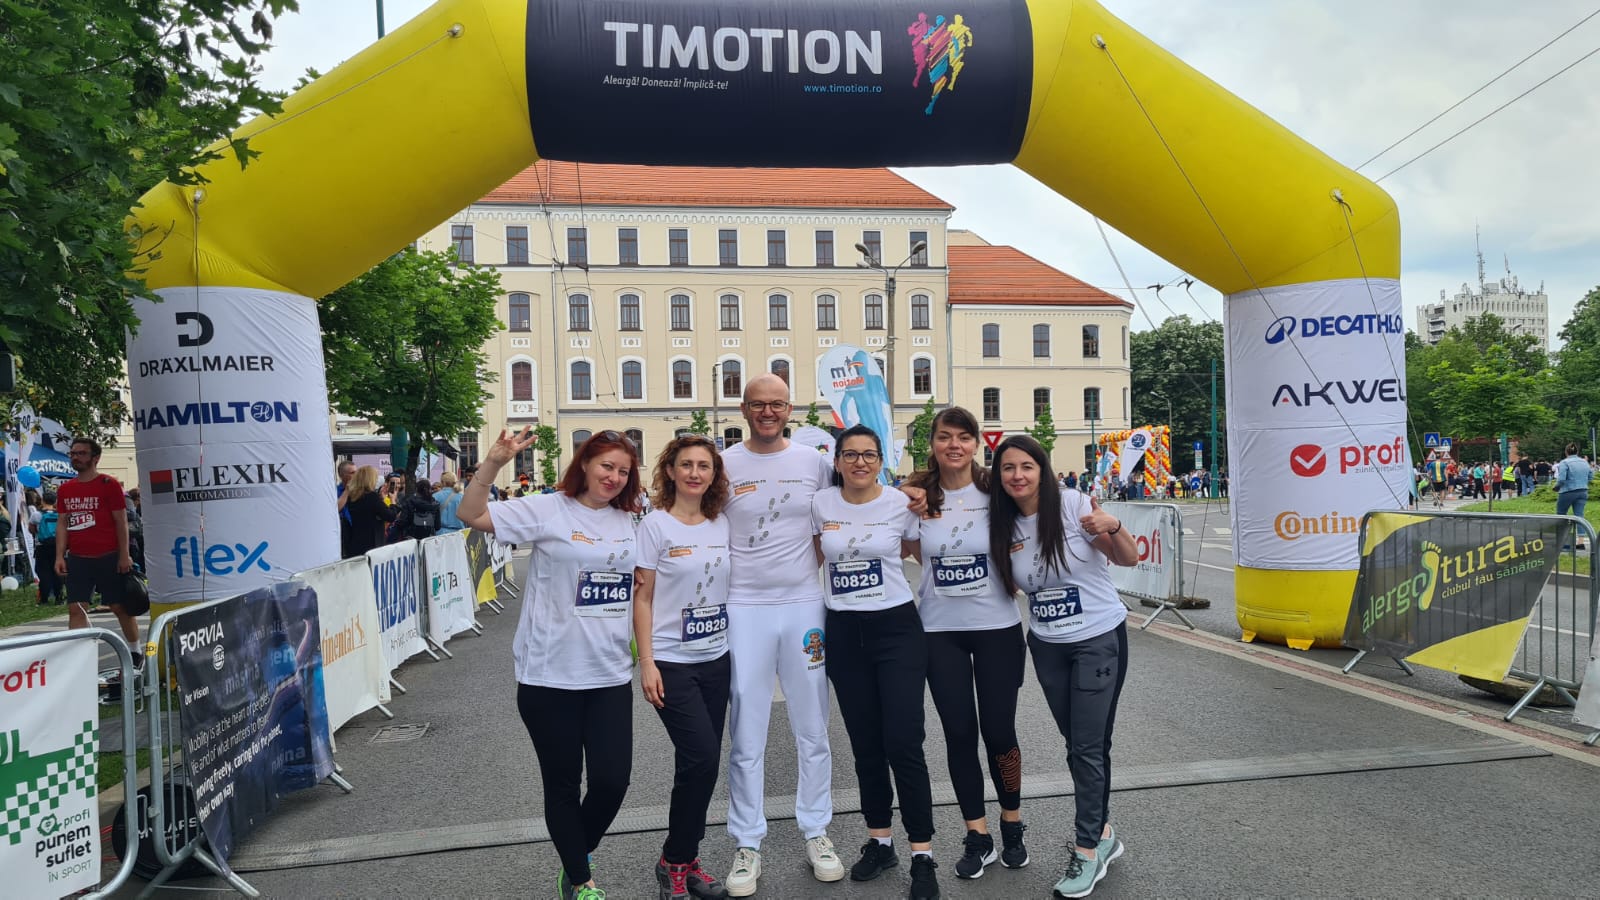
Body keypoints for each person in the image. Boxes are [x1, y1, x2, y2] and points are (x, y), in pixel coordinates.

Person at [458, 428, 641, 900]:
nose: (614, 477)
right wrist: (493, 463)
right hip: (549, 675)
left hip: (608, 673)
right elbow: (470, 514)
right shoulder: (548, 509)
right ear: (585, 464)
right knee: (562, 784)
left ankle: (574, 853)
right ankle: (581, 880)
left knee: (612, 782)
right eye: (606, 466)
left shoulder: (631, 519)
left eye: (623, 471)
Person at [988, 435, 1138, 898]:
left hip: (1097, 639)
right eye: (1008, 468)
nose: (1017, 475)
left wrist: (1114, 525)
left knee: (1088, 747)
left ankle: (1087, 850)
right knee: (1078, 745)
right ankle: (1104, 833)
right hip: (1047, 646)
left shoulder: (1073, 505)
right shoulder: (1003, 524)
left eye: (1026, 466)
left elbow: (1128, 557)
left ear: (1043, 470)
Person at [719, 374, 845, 896]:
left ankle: (816, 831)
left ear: (790, 409)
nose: (768, 412)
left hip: (802, 605)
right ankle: (747, 841)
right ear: (743, 409)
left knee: (812, 724)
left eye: (777, 404)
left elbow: (840, 515)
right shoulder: (723, 463)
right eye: (758, 404)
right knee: (746, 728)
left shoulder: (814, 462)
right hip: (744, 607)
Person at [813, 425, 939, 899]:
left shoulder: (901, 504)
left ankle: (922, 854)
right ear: (838, 461)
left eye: (869, 455)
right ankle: (880, 842)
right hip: (845, 634)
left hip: (895, 630)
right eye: (850, 455)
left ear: (881, 460)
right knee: (865, 745)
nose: (859, 462)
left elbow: (925, 553)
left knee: (904, 742)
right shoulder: (821, 504)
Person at [904, 407, 1030, 881]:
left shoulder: (997, 490)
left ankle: (1012, 823)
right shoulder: (916, 497)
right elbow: (906, 547)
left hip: (997, 627)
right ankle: (977, 835)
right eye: (944, 437)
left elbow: (1041, 515)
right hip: (940, 632)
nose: (953, 445)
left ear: (977, 443)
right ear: (932, 444)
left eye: (963, 437)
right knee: (959, 734)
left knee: (999, 732)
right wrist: (906, 491)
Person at [633, 435, 734, 900]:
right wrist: (647, 662)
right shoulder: (655, 526)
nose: (695, 473)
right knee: (702, 757)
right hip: (672, 662)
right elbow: (643, 598)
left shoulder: (721, 523)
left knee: (698, 766)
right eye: (686, 465)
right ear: (670, 471)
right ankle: (675, 860)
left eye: (704, 466)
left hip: (716, 658)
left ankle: (685, 859)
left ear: (714, 475)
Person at [54, 439, 141, 664]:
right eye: (73, 453)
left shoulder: (108, 484)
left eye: (81, 453)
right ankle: (78, 660)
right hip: (78, 558)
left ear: (95, 458)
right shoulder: (65, 489)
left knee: (119, 607)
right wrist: (59, 556)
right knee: (76, 609)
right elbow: (62, 523)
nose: (75, 457)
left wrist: (124, 555)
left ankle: (135, 652)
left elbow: (121, 521)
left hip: (109, 556)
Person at [343, 466, 397, 558]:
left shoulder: (352, 497)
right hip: (373, 544)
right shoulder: (371, 497)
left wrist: (380, 498)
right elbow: (390, 516)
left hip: (356, 542)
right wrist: (393, 501)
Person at [31, 488, 65, 604]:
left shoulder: (36, 515)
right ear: (55, 501)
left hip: (42, 546)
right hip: (57, 546)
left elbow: (31, 529)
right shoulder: (59, 514)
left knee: (43, 572)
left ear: (42, 500)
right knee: (57, 571)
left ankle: (44, 598)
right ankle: (59, 597)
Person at [1554, 443, 1592, 545]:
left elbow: (1562, 479)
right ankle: (1580, 541)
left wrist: (1556, 487)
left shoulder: (1564, 462)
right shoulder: (1584, 462)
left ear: (1566, 452)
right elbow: (1591, 476)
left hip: (1567, 491)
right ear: (1577, 452)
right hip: (1583, 491)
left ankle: (1562, 540)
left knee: (1561, 514)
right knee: (1579, 515)